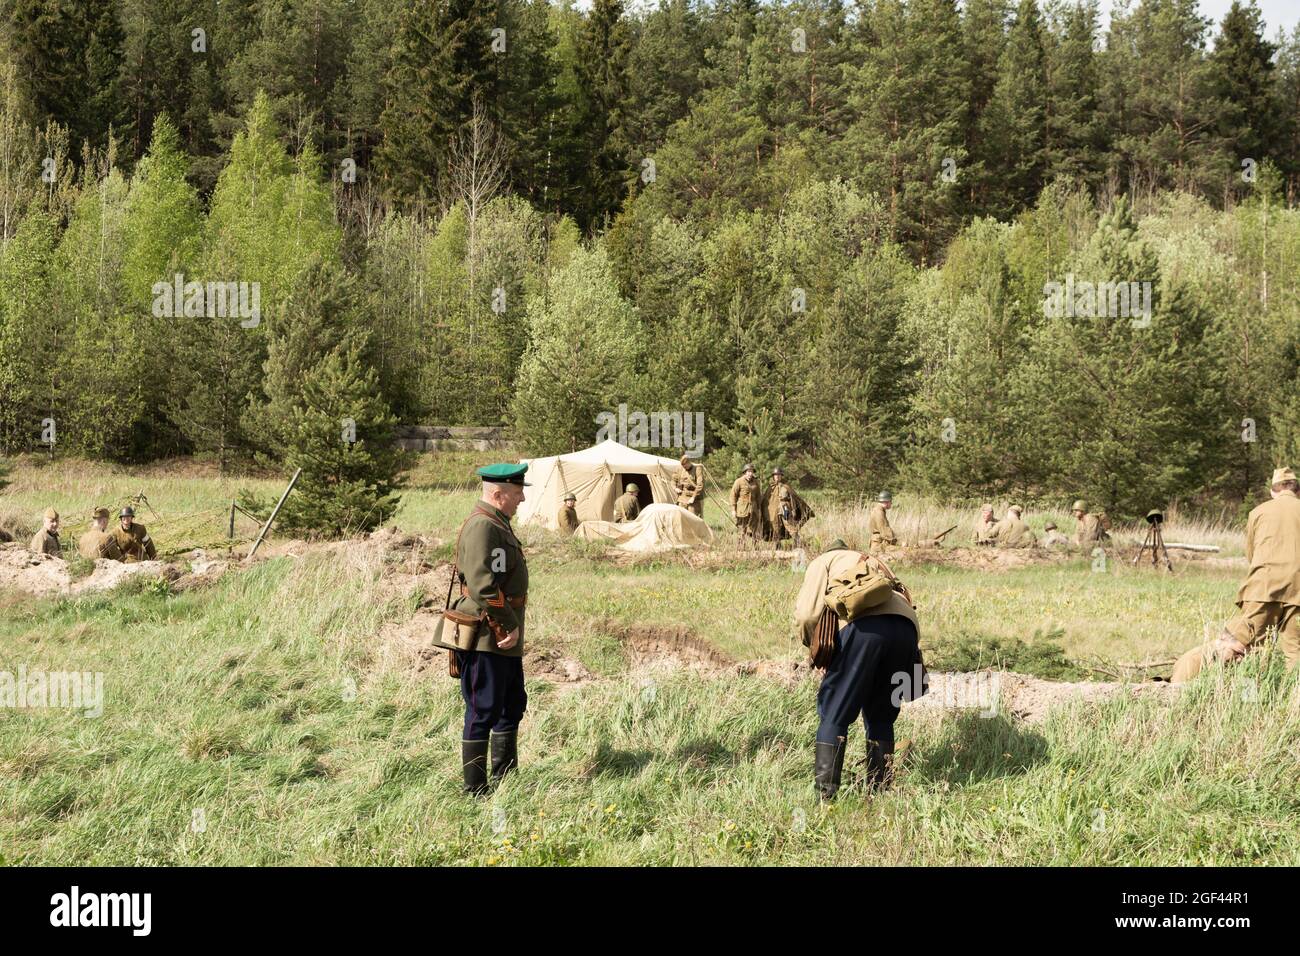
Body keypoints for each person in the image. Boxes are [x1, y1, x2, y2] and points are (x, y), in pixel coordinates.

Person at [795, 539, 921, 799]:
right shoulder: (876, 562)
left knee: (835, 713)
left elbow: (807, 614)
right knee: (881, 717)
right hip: (906, 630)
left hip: (862, 630)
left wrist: (818, 654)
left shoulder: (823, 561)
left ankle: (825, 799)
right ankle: (879, 793)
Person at [434, 463, 531, 794]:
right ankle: (475, 789)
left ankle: (505, 780)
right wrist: (508, 623)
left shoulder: (497, 523)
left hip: (501, 632)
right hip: (487, 631)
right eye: (517, 493)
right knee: (483, 707)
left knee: (511, 703)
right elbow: (482, 585)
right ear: (498, 493)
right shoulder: (483, 526)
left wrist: (511, 625)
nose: (521, 499)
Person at [1171, 467, 1300, 682]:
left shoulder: (1258, 512)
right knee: (1295, 654)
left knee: (1241, 646)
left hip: (1263, 588)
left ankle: (1184, 683)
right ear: (1297, 490)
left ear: (1273, 491)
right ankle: (1292, 706)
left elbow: (1251, 555)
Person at [762, 467, 815, 548]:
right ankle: (778, 546)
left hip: (785, 510)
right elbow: (766, 500)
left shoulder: (786, 486)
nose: (777, 476)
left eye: (779, 475)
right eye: (775, 475)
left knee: (790, 526)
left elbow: (794, 498)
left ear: (781, 476)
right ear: (773, 476)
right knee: (776, 529)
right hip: (774, 512)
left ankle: (798, 543)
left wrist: (792, 509)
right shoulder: (770, 487)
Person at [730, 463, 764, 544]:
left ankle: (755, 547)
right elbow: (733, 496)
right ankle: (741, 546)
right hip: (742, 509)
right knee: (742, 528)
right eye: (748, 471)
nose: (750, 473)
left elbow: (759, 496)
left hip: (754, 509)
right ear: (745, 472)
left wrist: (759, 509)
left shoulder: (756, 482)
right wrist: (733, 510)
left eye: (751, 471)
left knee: (755, 529)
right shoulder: (738, 481)